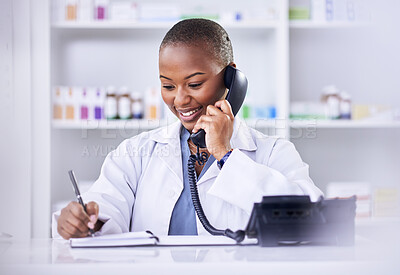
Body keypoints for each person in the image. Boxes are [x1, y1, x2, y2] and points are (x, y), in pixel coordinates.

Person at [53, 19, 323, 239]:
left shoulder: (272, 152)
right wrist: (83, 222)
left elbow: (314, 219)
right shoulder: (136, 153)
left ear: (232, 78)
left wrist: (226, 154)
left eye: (194, 84)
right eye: (168, 86)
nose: (179, 100)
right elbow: (105, 209)